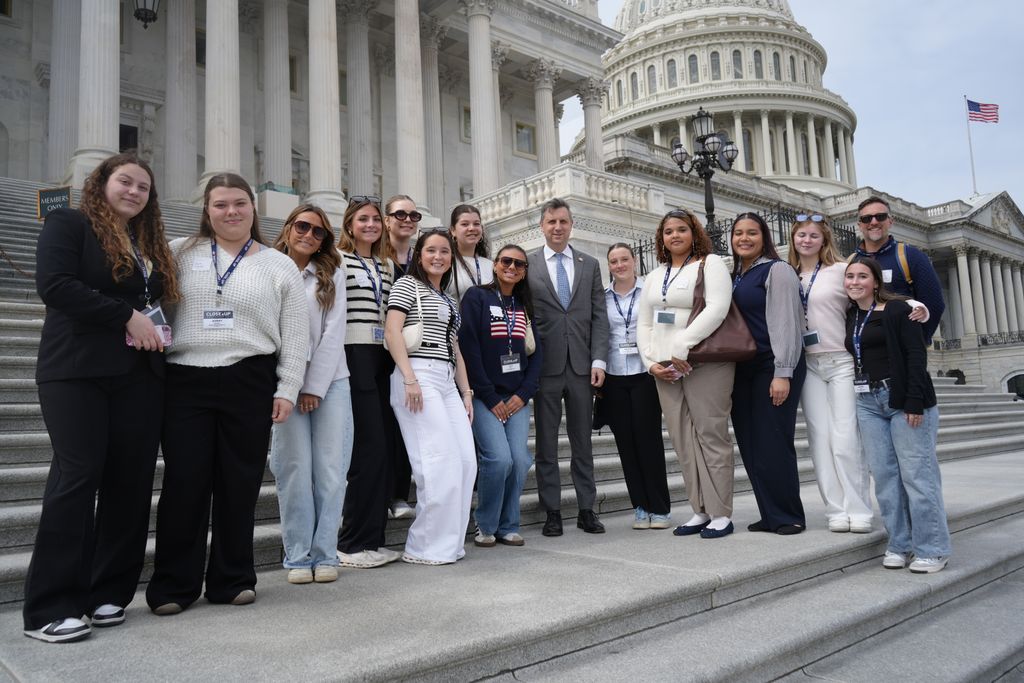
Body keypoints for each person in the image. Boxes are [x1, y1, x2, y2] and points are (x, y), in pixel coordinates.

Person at [23, 153, 179, 643]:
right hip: (78, 371)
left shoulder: (145, 242)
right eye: (125, 182)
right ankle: (50, 607)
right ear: (102, 183)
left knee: (130, 482)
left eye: (143, 187)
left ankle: (108, 591)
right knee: (78, 476)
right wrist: (125, 316)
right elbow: (55, 286)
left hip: (140, 375)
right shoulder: (68, 224)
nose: (134, 192)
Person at [146, 173, 307, 615]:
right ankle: (173, 585)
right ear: (207, 210)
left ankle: (232, 578)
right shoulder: (179, 252)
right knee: (185, 482)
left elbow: (296, 333)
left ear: (253, 208)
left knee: (240, 483)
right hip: (185, 378)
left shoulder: (279, 264)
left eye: (239, 203)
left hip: (249, 377)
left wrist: (288, 387)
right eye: (220, 204)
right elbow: (155, 309)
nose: (231, 211)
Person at [844, 257, 950, 573]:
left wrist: (914, 401)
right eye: (850, 276)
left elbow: (916, 355)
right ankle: (899, 544)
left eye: (862, 276)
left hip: (903, 398)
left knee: (918, 476)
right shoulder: (852, 314)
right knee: (885, 478)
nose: (854, 282)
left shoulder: (898, 310)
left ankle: (932, 549)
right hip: (867, 402)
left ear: (876, 282)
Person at [636, 211, 736, 539]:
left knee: (711, 434)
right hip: (665, 366)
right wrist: (650, 361)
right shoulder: (655, 275)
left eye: (682, 229)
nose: (675, 235)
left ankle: (721, 513)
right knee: (682, 439)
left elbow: (717, 308)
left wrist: (683, 343)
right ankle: (700, 509)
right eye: (668, 231)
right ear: (661, 238)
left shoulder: (711, 264)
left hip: (704, 361)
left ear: (694, 233)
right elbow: (645, 322)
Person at [268, 205, 352, 585]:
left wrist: (313, 387)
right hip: (283, 383)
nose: (309, 235)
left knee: (331, 472)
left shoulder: (333, 272)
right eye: (303, 226)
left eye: (318, 232)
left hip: (330, 381)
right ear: (288, 228)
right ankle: (298, 556)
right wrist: (290, 384)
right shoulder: (268, 267)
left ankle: (325, 553)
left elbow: (334, 333)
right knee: (293, 471)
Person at [385, 230, 477, 565]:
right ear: (419, 255)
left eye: (444, 251)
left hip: (447, 380)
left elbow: (456, 349)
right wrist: (409, 377)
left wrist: (466, 392)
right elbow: (393, 331)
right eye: (431, 251)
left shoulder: (449, 299)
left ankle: (449, 544)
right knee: (439, 462)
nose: (438, 257)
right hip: (418, 374)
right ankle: (423, 546)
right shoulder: (406, 285)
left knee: (466, 462)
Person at [527, 198, 610, 536]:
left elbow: (599, 316)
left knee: (582, 443)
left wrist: (599, 359)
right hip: (544, 368)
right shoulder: (527, 264)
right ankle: (552, 512)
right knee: (546, 444)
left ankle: (587, 509)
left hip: (581, 367)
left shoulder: (589, 264)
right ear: (542, 226)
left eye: (563, 221)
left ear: (571, 224)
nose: (557, 227)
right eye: (551, 222)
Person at [788, 213, 874, 534]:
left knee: (845, 438)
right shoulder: (787, 274)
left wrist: (912, 305)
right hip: (807, 364)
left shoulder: (841, 270)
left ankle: (859, 508)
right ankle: (835, 509)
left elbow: (872, 295)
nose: (807, 240)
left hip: (841, 361)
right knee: (819, 439)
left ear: (824, 239)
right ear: (793, 239)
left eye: (814, 235)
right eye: (801, 235)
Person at [459, 245, 543, 547]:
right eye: (506, 261)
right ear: (495, 265)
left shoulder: (524, 304)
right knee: (498, 459)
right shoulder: (477, 297)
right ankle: (486, 524)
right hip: (485, 396)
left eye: (519, 264)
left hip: (516, 398)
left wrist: (524, 393)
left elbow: (536, 354)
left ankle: (509, 525)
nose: (512, 267)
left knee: (519, 460)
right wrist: (489, 395)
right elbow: (468, 347)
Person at [335, 196, 403, 569]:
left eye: (376, 219)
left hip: (383, 357)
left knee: (383, 451)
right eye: (363, 219)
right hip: (354, 354)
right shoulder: (337, 259)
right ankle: (351, 543)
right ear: (349, 224)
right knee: (367, 450)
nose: (371, 225)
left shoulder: (387, 265)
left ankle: (373, 540)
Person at [730, 212, 807, 535]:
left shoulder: (778, 270)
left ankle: (789, 515)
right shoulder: (736, 275)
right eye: (738, 233)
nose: (744, 238)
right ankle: (769, 512)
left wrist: (783, 371)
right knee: (750, 444)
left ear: (764, 238)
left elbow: (787, 323)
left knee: (773, 441)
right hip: (743, 368)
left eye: (752, 233)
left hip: (773, 365)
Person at [603, 243, 672, 531]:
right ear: (609, 266)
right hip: (615, 374)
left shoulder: (650, 292)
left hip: (646, 372)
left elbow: (665, 323)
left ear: (634, 261)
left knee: (649, 440)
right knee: (626, 443)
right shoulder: (603, 297)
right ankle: (640, 507)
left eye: (624, 259)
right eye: (614, 261)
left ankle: (660, 508)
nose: (619, 265)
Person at [852, 196, 945, 342]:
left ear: (890, 221)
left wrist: (918, 342)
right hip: (864, 348)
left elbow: (934, 303)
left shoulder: (911, 256)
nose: (874, 222)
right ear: (859, 225)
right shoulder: (852, 261)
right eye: (867, 218)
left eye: (880, 216)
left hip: (902, 347)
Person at [381, 194, 421, 520]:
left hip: (414, 351)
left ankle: (400, 493)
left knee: (407, 424)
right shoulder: (376, 257)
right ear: (387, 220)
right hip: (379, 352)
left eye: (413, 215)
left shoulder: (421, 260)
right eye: (400, 214)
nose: (407, 220)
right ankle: (385, 493)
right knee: (384, 426)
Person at [447, 203, 494, 300]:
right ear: (453, 230)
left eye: (476, 224)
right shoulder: (446, 263)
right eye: (465, 224)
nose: (472, 228)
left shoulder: (491, 265)